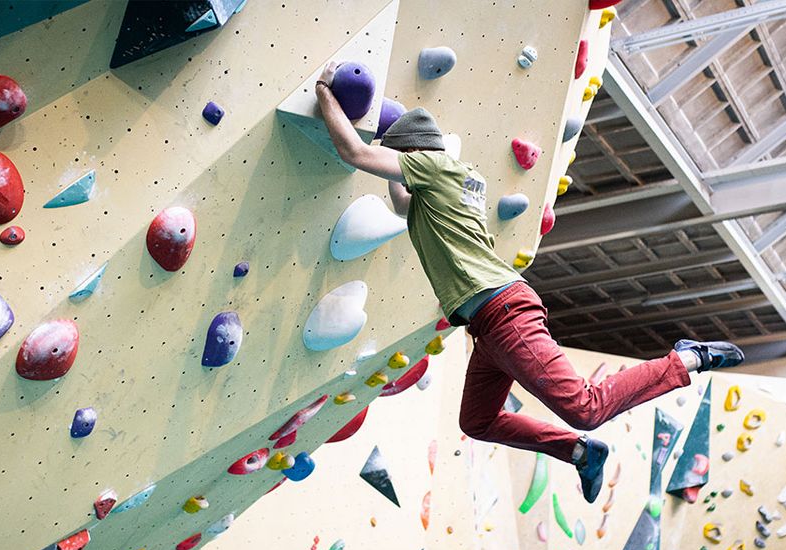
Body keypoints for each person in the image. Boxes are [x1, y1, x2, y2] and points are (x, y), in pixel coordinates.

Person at [314, 62, 745, 502]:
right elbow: (405, 204)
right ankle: (580, 452)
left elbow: (355, 154)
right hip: (490, 323)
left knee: (586, 407)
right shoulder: (453, 182)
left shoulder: (434, 167)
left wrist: (326, 93)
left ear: (415, 157)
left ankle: (685, 360)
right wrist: (390, 142)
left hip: (502, 314)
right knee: (477, 422)